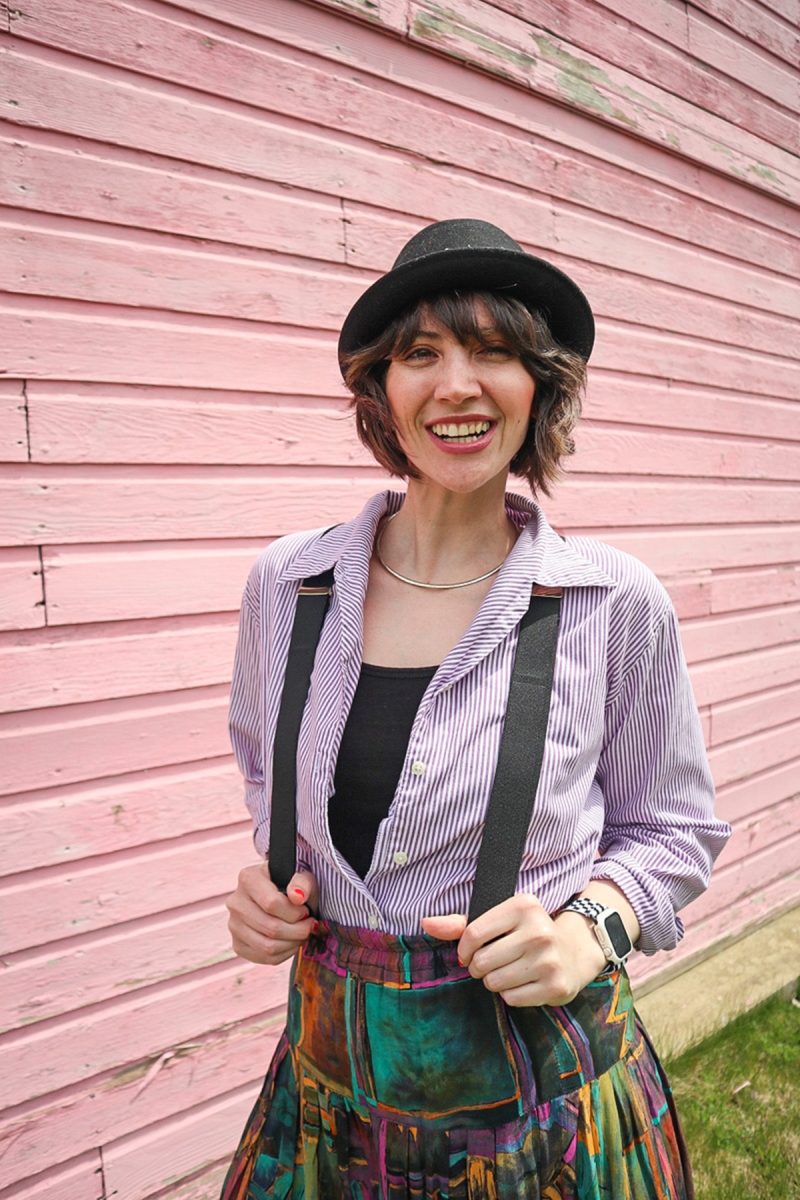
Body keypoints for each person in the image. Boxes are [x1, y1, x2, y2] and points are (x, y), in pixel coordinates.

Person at [220, 219, 731, 1199]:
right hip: (332, 1087)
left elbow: (670, 832)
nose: (455, 383)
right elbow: (267, 788)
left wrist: (589, 928)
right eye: (420, 354)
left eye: (492, 351)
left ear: (537, 384)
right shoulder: (286, 587)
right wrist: (267, 891)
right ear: (380, 390)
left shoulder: (612, 604)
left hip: (543, 1105)